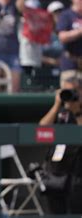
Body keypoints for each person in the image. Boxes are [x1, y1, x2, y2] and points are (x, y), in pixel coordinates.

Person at [39, 77, 82, 214]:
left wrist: (77, 112)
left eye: (73, 91)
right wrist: (57, 104)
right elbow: (42, 129)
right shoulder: (61, 112)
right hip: (56, 173)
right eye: (66, 91)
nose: (70, 94)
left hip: (77, 173)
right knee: (56, 211)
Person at [56, 0, 82, 85]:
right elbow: (62, 37)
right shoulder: (66, 15)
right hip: (70, 63)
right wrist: (79, 32)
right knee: (70, 97)